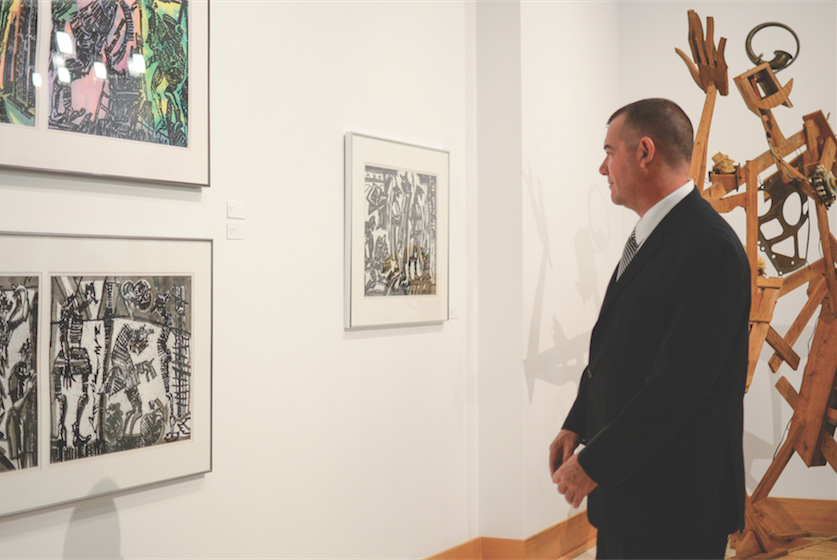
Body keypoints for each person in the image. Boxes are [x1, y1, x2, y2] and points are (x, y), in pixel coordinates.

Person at [549, 98, 750, 559]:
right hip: (629, 496)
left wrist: (594, 463)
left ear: (644, 152)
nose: (603, 168)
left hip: (677, 505)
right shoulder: (650, 235)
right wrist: (577, 422)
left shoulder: (709, 248)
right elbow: (619, 347)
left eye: (609, 151)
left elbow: (677, 386)